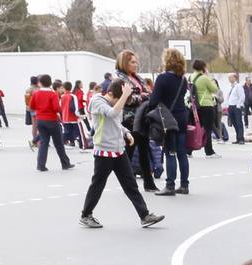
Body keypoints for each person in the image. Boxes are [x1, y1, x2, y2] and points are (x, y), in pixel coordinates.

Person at [79, 81, 165, 230]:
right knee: (98, 184)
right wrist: (124, 95)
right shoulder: (96, 101)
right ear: (111, 94)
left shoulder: (115, 102)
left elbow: (117, 122)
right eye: (118, 99)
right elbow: (112, 113)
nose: (121, 103)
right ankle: (86, 215)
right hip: (104, 151)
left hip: (119, 150)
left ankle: (144, 216)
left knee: (131, 184)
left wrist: (126, 133)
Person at [114, 51, 157, 192]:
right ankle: (127, 184)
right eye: (132, 62)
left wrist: (143, 95)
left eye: (135, 61)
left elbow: (147, 93)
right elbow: (127, 99)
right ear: (124, 63)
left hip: (142, 118)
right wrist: (143, 96)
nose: (135, 64)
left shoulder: (137, 78)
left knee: (145, 152)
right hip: (129, 120)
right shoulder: (120, 78)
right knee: (128, 153)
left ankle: (149, 183)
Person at [151, 49, 191, 196]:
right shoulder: (183, 79)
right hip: (182, 117)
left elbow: (154, 101)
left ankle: (170, 185)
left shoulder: (162, 78)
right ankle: (184, 185)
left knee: (170, 153)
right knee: (182, 153)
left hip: (167, 119)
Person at [29, 74, 73, 172]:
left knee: (44, 142)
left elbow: (31, 106)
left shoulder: (36, 93)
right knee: (59, 143)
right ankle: (65, 163)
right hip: (52, 120)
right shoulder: (52, 94)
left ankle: (41, 165)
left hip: (40, 120)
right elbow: (56, 108)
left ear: (40, 83)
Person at [190, 59, 220, 158]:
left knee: (195, 128)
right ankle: (209, 151)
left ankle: (188, 150)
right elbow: (214, 89)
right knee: (207, 129)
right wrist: (209, 76)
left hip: (195, 106)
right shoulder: (204, 78)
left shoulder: (190, 77)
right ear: (203, 67)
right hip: (206, 105)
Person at [225, 73, 246, 143]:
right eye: (229, 78)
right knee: (234, 122)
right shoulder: (230, 87)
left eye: (231, 77)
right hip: (230, 106)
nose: (229, 79)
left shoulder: (238, 86)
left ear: (235, 78)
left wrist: (238, 106)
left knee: (239, 122)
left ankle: (241, 138)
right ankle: (238, 138)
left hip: (236, 106)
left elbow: (242, 96)